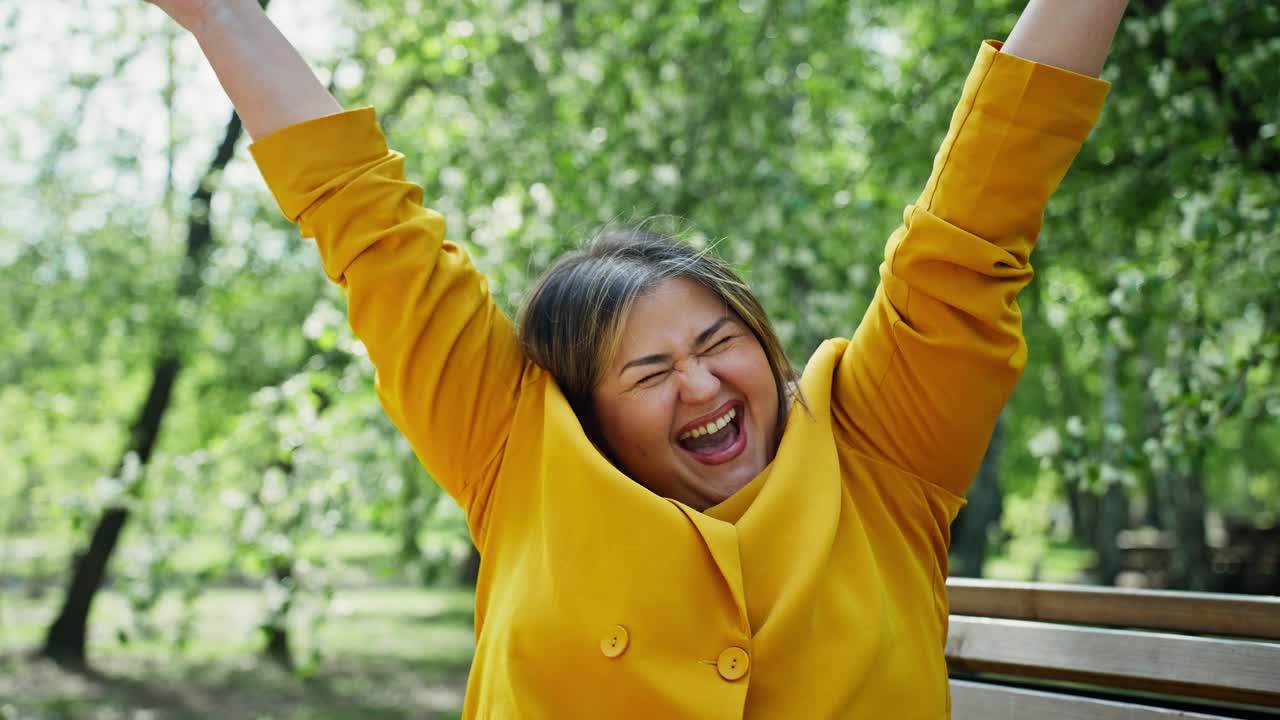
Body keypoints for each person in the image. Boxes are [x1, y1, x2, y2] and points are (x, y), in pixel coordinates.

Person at [146, 0, 1127, 715]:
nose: (700, 385)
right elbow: (375, 235)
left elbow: (972, 222)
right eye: (648, 375)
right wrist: (217, 13)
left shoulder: (879, 448)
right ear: (587, 412)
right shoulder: (518, 455)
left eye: (717, 343)